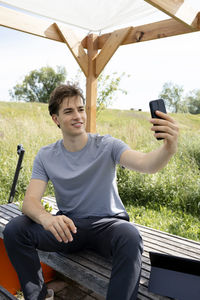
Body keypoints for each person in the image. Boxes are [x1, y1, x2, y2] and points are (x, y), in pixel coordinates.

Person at [3, 83, 179, 300]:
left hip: (108, 226)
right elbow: (29, 201)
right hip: (69, 228)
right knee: (14, 229)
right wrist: (46, 218)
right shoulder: (45, 155)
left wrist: (168, 148)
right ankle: (38, 296)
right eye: (68, 111)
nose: (78, 116)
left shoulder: (107, 145)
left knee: (130, 236)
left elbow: (146, 164)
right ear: (55, 119)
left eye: (80, 109)